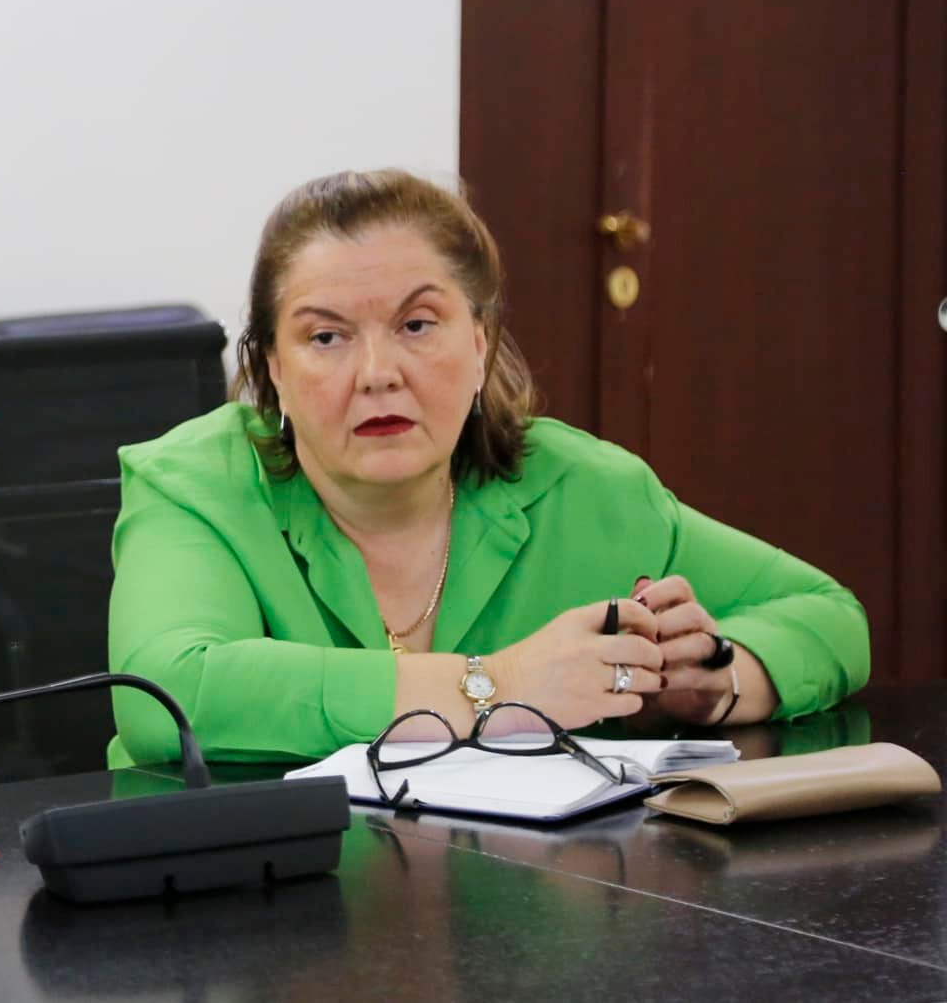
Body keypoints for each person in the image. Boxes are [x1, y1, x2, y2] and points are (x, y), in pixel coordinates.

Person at [107, 169, 869, 767]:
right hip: (265, 896)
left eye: (417, 325)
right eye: (326, 338)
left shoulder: (586, 489)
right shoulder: (194, 485)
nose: (378, 374)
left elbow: (828, 613)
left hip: (534, 894)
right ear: (271, 367)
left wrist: (719, 682)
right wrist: (496, 687)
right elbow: (163, 698)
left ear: (480, 344)